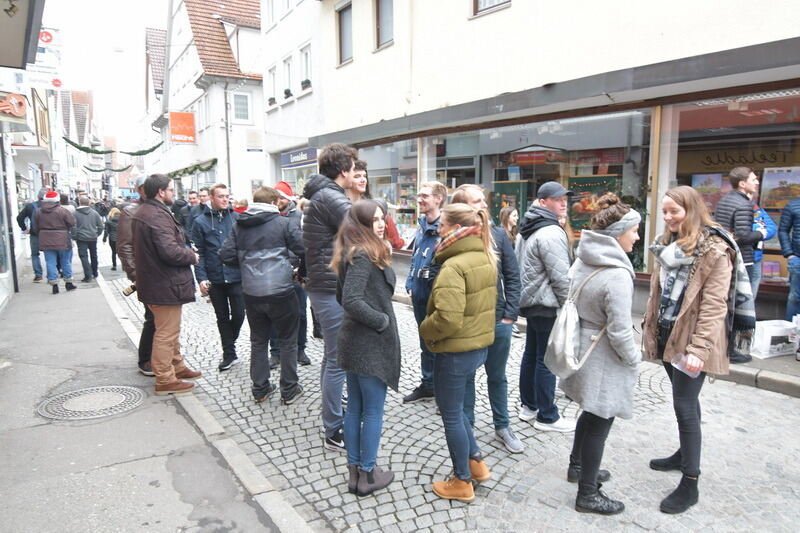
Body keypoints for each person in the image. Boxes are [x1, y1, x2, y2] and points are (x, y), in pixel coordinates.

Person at [643, 186, 739, 514]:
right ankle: (684, 454)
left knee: (684, 406)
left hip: (693, 341)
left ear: (692, 209)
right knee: (686, 402)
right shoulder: (669, 243)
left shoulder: (715, 249)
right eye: (665, 211)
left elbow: (714, 305)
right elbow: (661, 293)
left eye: (675, 211)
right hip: (670, 335)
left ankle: (690, 481)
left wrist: (699, 349)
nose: (668, 217)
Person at [562, 193, 642, 515]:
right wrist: (635, 359)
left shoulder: (584, 259)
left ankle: (578, 467)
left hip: (583, 346)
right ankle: (588, 494)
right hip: (604, 356)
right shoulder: (617, 274)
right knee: (600, 421)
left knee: (589, 412)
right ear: (617, 233)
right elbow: (621, 331)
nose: (637, 236)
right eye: (633, 230)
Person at [419, 203, 497, 502]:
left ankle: (462, 481)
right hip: (476, 347)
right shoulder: (485, 256)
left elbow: (448, 318)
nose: (438, 230)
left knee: (451, 415)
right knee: (459, 411)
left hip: (455, 351)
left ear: (454, 229)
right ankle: (475, 463)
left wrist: (425, 329)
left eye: (442, 226)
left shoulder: (454, 265)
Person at [331, 199, 400, 496]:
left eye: (382, 217)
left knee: (357, 407)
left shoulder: (355, 251)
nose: (381, 223)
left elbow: (340, 295)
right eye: (374, 220)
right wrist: (381, 321)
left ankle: (355, 473)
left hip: (354, 341)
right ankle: (368, 474)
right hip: (368, 343)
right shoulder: (362, 254)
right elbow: (351, 300)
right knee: (371, 411)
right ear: (361, 224)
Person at [451, 185, 524, 454]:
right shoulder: (454, 237)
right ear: (462, 206)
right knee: (467, 375)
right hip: (469, 323)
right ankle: (467, 426)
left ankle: (502, 425)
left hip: (497, 320)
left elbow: (513, 277)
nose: (483, 205)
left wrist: (509, 316)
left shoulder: (498, 236)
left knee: (497, 376)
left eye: (483, 200)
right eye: (475, 201)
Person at [220, 186, 306, 404]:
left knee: (258, 341)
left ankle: (260, 389)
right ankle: (289, 389)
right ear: (275, 202)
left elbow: (225, 255)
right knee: (288, 341)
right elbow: (303, 248)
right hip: (281, 292)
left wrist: (247, 264)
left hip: (252, 293)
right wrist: (293, 264)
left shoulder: (239, 225)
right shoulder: (284, 223)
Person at [302, 143, 357, 451]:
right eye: (353, 168)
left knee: (331, 358)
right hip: (330, 286)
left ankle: (332, 414)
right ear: (343, 171)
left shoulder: (321, 195)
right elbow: (363, 227)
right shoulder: (330, 197)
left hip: (324, 285)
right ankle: (334, 429)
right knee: (337, 360)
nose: (356, 172)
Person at [131, 174, 202, 395]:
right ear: (161, 192)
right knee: (166, 333)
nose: (174, 193)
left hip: (158, 282)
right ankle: (165, 378)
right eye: (171, 189)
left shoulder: (148, 211)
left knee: (170, 330)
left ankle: (177, 367)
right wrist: (191, 255)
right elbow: (169, 251)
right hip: (163, 283)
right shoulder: (155, 215)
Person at [516, 181, 576, 432]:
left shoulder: (527, 227)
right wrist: (568, 306)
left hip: (531, 301)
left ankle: (529, 407)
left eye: (565, 199)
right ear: (543, 202)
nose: (564, 203)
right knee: (545, 360)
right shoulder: (550, 231)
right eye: (557, 199)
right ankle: (547, 416)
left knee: (532, 354)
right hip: (546, 303)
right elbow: (561, 277)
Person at [403, 181, 448, 404]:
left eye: (425, 196)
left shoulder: (445, 229)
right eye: (419, 195)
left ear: (438, 199)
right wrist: (410, 282)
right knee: (424, 343)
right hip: (419, 296)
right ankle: (428, 385)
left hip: (436, 299)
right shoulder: (422, 225)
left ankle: (443, 392)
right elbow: (415, 256)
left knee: (439, 346)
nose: (419, 199)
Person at [192, 183, 244, 371]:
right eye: (220, 196)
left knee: (239, 314)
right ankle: (229, 354)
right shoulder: (200, 222)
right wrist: (201, 278)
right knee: (222, 316)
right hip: (215, 277)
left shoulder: (237, 218)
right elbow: (200, 252)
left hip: (236, 276)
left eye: (227, 196)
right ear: (212, 198)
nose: (225, 199)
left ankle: (230, 342)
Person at [268, 180, 311, 368]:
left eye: (281, 197)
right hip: (275, 274)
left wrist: (302, 269)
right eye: (275, 197)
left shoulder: (300, 216)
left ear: (287, 198)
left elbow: (306, 245)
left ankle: (301, 349)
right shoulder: (269, 216)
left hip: (295, 273)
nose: (278, 201)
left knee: (300, 313)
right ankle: (275, 352)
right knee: (274, 315)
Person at [117, 177, 156, 376]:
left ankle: (160, 358)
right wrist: (135, 276)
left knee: (161, 319)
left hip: (159, 274)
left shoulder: (157, 208)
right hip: (145, 274)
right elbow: (124, 246)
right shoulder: (130, 211)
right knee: (152, 317)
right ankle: (146, 359)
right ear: (141, 190)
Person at [713, 167, 764, 289]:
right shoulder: (744, 204)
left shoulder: (722, 201)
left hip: (724, 256)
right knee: (742, 301)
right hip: (742, 259)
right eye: (753, 180)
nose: (757, 182)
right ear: (742, 184)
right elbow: (742, 236)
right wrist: (761, 233)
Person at [35, 190, 77, 294]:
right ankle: (68, 283)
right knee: (65, 261)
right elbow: (72, 223)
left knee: (50, 262)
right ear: (57, 199)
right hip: (62, 239)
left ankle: (54, 285)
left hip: (46, 240)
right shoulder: (62, 211)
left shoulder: (39, 211)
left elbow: (35, 227)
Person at [16, 188, 46, 282]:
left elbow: (19, 217)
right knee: (50, 254)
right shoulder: (52, 206)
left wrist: (24, 229)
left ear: (38, 196)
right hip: (49, 235)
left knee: (35, 254)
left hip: (35, 234)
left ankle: (38, 275)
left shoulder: (30, 206)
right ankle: (52, 275)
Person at [750, 200, 776, 299]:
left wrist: (758, 233)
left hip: (756, 257)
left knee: (753, 289)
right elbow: (741, 231)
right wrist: (759, 229)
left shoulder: (758, 211)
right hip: (741, 257)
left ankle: (749, 312)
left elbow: (772, 229)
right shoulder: (736, 209)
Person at [779, 196, 800, 321]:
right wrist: (789, 254)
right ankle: (790, 335)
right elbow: (783, 230)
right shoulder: (793, 205)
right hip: (797, 259)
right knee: (795, 298)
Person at [74, 196, 104, 282]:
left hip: (81, 238)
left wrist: (75, 236)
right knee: (94, 255)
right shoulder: (94, 213)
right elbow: (101, 226)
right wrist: (96, 234)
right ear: (89, 203)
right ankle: (95, 272)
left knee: (83, 256)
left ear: (79, 203)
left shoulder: (75, 213)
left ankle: (88, 275)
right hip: (92, 237)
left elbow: (73, 227)